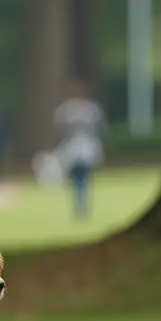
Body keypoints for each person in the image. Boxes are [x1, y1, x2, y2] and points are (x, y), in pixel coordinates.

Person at [53, 80, 106, 218]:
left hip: (82, 150)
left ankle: (81, 207)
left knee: (81, 180)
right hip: (77, 150)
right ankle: (81, 207)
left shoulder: (68, 111)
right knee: (80, 181)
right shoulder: (84, 110)